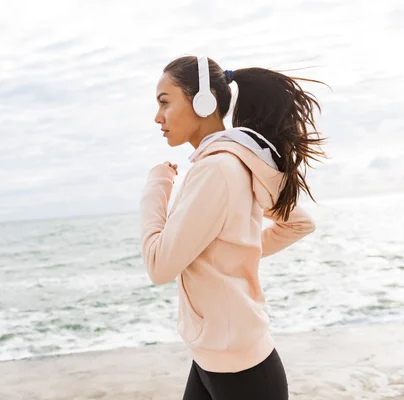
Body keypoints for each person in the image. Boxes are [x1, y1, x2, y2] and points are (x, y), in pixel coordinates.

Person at [139, 55, 326, 400]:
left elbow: (159, 265)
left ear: (203, 102)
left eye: (165, 102)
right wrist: (238, 251)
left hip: (239, 367)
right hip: (217, 355)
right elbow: (299, 223)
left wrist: (157, 185)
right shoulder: (239, 160)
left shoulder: (218, 169)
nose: (158, 117)